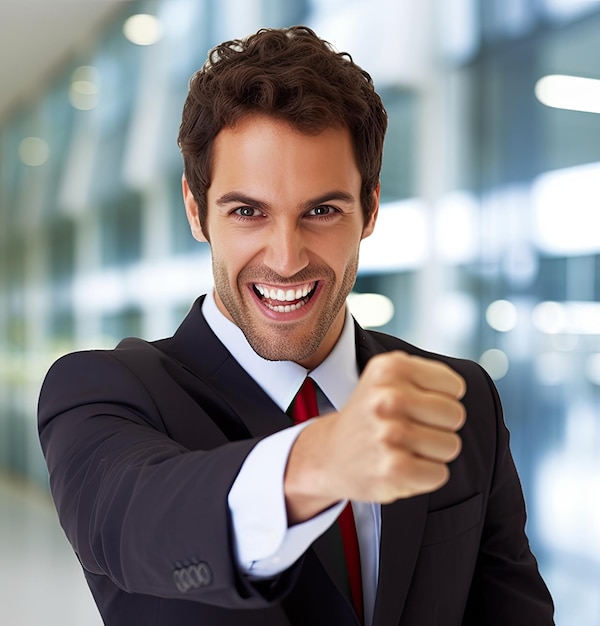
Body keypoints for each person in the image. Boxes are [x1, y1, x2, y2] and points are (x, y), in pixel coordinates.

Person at [38, 25, 554, 626]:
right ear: (195, 209)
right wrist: (320, 460)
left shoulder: (458, 399)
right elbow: (136, 517)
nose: (286, 257)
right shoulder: (102, 391)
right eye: (248, 211)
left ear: (371, 210)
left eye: (322, 210)